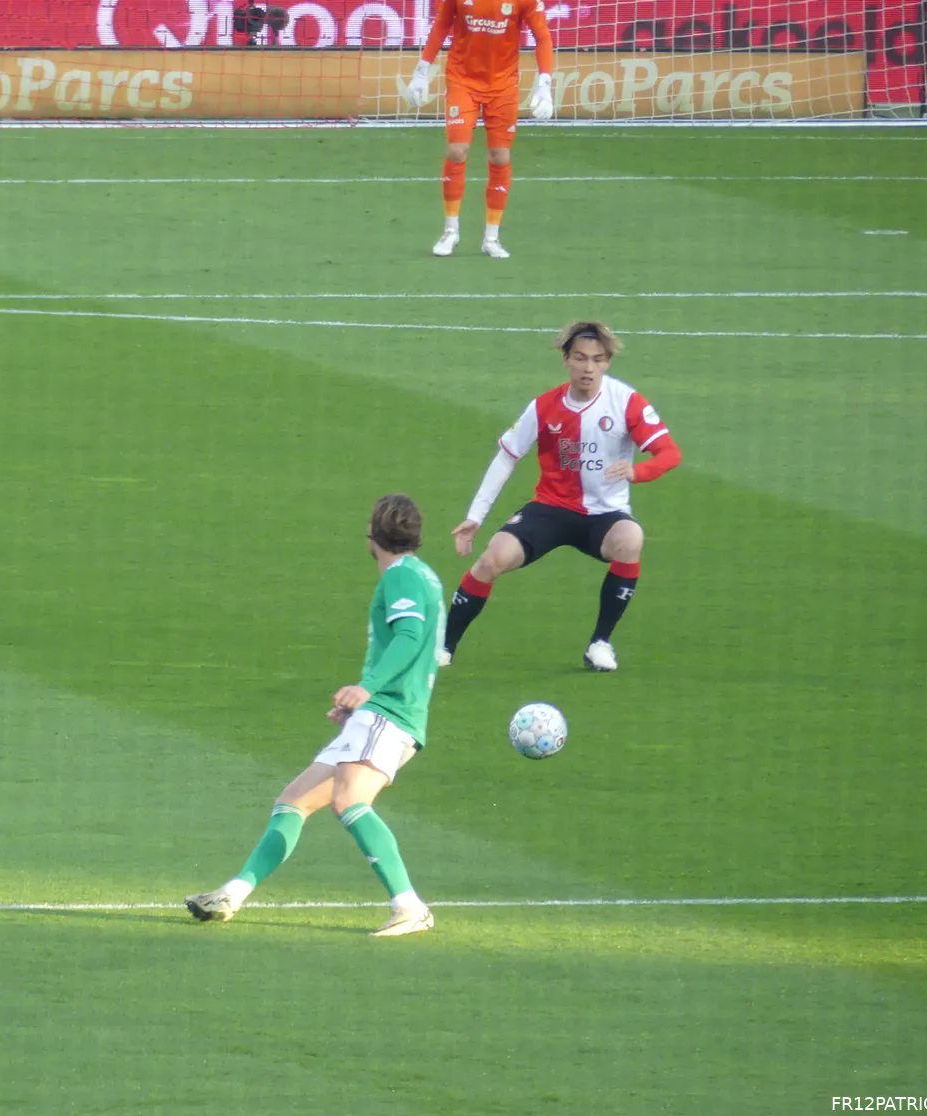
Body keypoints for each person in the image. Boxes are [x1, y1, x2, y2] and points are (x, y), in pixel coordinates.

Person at [186, 494, 445, 937]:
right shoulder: (423, 576)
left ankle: (410, 906)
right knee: (293, 802)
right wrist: (358, 703)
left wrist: (367, 689)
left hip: (390, 713)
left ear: (374, 534)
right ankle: (232, 894)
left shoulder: (401, 578)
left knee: (349, 801)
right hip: (380, 712)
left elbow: (408, 638)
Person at [443, 321, 682, 672]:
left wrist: (637, 472)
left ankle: (599, 643)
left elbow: (669, 454)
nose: (589, 368)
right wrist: (476, 516)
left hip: (605, 515)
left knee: (631, 539)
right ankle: (445, 647)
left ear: (607, 362)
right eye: (581, 359)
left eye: (598, 360)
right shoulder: (543, 407)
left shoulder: (626, 402)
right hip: (552, 509)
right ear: (566, 360)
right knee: (491, 559)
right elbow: (507, 456)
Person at [403, 0, 555, 259]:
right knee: (456, 151)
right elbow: (441, 24)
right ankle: (451, 231)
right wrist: (421, 70)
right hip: (462, 79)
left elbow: (543, 38)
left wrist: (545, 82)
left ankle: (491, 238)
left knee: (500, 156)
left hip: (503, 85)